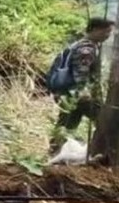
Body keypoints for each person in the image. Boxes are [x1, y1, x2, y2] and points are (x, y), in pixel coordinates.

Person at [49, 17, 114, 153]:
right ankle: (104, 152)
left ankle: (54, 152)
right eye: (106, 32)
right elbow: (81, 72)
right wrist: (83, 91)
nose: (108, 36)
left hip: (68, 94)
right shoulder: (87, 48)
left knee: (66, 124)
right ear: (96, 29)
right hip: (78, 94)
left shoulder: (79, 44)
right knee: (106, 121)